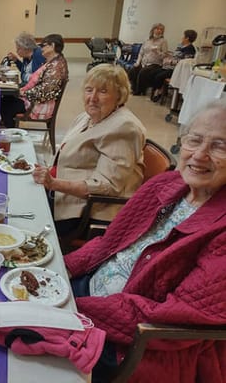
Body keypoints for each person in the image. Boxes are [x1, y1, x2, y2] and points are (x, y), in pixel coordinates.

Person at [65, 101, 226, 382]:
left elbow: (175, 317)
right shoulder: (163, 185)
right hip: (88, 295)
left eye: (219, 146)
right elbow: (109, 243)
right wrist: (61, 270)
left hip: (131, 343)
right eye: (195, 140)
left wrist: (70, 308)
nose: (199, 155)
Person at [32, 64, 146, 236]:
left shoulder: (124, 127)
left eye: (103, 91)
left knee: (26, 214)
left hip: (89, 210)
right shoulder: (88, 117)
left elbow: (108, 186)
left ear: (119, 96)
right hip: (66, 192)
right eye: (89, 90)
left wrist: (54, 183)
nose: (92, 98)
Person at [0, 33, 68, 128]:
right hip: (38, 100)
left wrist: (22, 93)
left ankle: (10, 134)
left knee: (6, 103)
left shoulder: (56, 68)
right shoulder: (55, 62)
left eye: (43, 46)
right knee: (7, 99)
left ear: (52, 46)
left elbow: (45, 92)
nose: (41, 49)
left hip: (39, 106)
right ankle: (9, 130)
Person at [150, 29, 197, 102]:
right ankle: (158, 90)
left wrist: (171, 62)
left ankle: (158, 92)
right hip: (169, 67)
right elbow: (175, 56)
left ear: (187, 38)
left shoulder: (190, 49)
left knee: (159, 76)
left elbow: (185, 62)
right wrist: (168, 57)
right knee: (153, 72)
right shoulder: (180, 46)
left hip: (177, 70)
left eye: (183, 36)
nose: (182, 38)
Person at [127, 23, 168, 95]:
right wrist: (138, 62)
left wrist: (157, 52)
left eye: (161, 30)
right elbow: (141, 53)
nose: (158, 31)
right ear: (153, 30)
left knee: (143, 72)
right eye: (157, 29)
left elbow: (164, 56)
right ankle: (131, 87)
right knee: (133, 69)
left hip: (155, 64)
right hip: (144, 62)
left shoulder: (163, 41)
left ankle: (139, 91)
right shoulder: (147, 40)